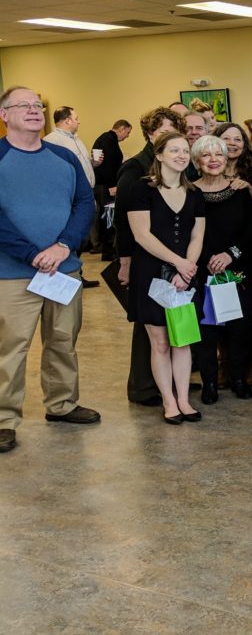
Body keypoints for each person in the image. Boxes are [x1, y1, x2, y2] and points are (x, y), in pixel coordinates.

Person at [0, 86, 101, 454]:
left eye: (36, 106)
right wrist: (32, 254)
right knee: (11, 348)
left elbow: (84, 201)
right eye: (22, 105)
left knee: (62, 340)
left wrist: (62, 246)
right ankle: (3, 420)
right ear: (4, 115)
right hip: (12, 273)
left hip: (64, 269)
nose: (32, 110)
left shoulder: (63, 156)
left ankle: (62, 405)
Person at [126, 131, 206, 425]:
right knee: (159, 341)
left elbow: (197, 235)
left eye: (185, 150)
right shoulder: (142, 189)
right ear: (158, 155)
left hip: (185, 276)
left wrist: (188, 268)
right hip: (150, 275)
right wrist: (178, 263)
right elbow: (141, 235)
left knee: (182, 340)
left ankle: (184, 399)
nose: (181, 155)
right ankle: (168, 401)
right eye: (174, 150)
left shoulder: (195, 194)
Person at [114, 107, 187, 406]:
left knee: (172, 325)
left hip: (175, 259)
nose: (167, 135)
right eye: (161, 131)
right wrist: (126, 261)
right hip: (144, 257)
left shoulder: (181, 165)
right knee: (149, 328)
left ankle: (170, 383)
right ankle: (143, 387)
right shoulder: (134, 168)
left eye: (173, 130)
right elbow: (123, 221)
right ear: (149, 134)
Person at [190, 135, 252, 404]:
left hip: (237, 270)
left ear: (226, 159)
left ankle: (239, 379)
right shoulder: (189, 193)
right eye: (206, 156)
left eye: (218, 155)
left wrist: (230, 255)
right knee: (208, 330)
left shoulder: (240, 190)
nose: (213, 160)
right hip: (202, 270)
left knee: (239, 327)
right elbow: (187, 232)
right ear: (197, 161)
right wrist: (209, 258)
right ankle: (209, 383)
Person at [43, 106, 103, 285]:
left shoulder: (76, 139)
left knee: (83, 238)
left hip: (84, 195)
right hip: (70, 199)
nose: (79, 121)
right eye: (76, 118)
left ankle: (77, 273)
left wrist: (93, 163)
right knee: (75, 237)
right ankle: (72, 274)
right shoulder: (52, 141)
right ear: (67, 120)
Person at [92, 119, 132, 260]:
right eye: (127, 132)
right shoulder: (108, 140)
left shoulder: (109, 140)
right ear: (121, 129)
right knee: (108, 218)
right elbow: (107, 167)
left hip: (105, 185)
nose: (127, 136)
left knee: (107, 218)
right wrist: (111, 186)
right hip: (105, 187)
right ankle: (108, 251)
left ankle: (109, 250)